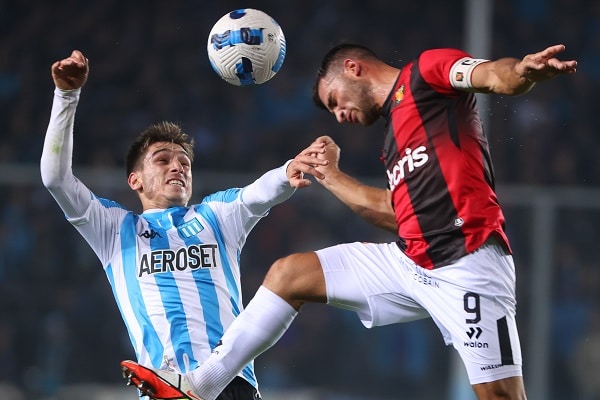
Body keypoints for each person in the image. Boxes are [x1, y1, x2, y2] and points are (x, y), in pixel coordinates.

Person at [121, 43, 577, 400]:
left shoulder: (426, 74)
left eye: (335, 100)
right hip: (413, 261)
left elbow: (492, 75)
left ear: (353, 69)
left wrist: (523, 72)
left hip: (469, 262)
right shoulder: (394, 142)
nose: (340, 115)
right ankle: (200, 386)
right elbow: (398, 216)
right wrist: (329, 174)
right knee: (290, 274)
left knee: (501, 396)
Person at [40, 50, 328, 400]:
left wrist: (286, 172)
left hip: (232, 386)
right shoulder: (114, 230)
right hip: (165, 390)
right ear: (135, 180)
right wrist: (66, 95)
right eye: (162, 160)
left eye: (184, 163)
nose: (177, 167)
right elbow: (56, 179)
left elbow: (256, 194)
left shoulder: (216, 216)